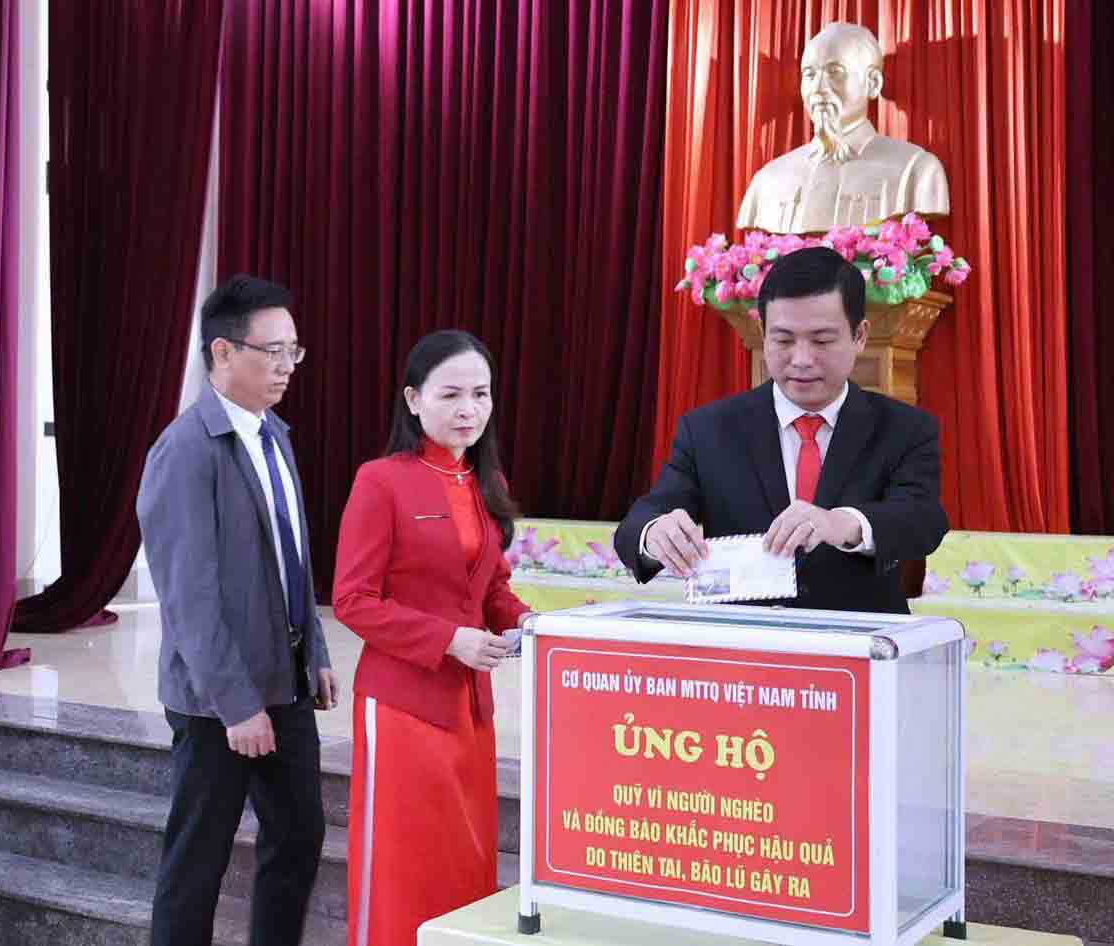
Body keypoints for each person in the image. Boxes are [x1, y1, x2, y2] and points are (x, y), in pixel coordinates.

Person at [137, 275, 338, 946]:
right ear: (222, 353)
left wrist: (318, 651)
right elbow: (189, 599)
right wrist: (236, 704)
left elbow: (292, 558)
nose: (287, 366)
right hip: (216, 702)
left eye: (293, 351)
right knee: (197, 859)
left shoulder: (273, 434)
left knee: (300, 834)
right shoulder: (186, 451)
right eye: (272, 351)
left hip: (284, 683)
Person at [333, 330, 534, 946]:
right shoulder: (381, 480)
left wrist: (526, 622)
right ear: (413, 400)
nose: (468, 408)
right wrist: (451, 640)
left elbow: (492, 588)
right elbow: (352, 601)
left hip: (471, 709)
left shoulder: (481, 479)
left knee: (464, 859)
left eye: (480, 393)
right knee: (403, 863)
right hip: (402, 708)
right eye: (451, 395)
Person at [614, 246, 948, 614]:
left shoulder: (904, 428)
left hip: (860, 643)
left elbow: (922, 520)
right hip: (745, 649)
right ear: (762, 332)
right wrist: (655, 533)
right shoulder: (710, 429)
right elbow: (643, 518)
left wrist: (842, 523)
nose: (802, 360)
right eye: (784, 339)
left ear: (860, 336)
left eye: (822, 340)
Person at [736, 22, 949, 233]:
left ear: (873, 83)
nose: (817, 89)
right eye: (809, 75)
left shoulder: (915, 170)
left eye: (834, 72)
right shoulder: (768, 180)